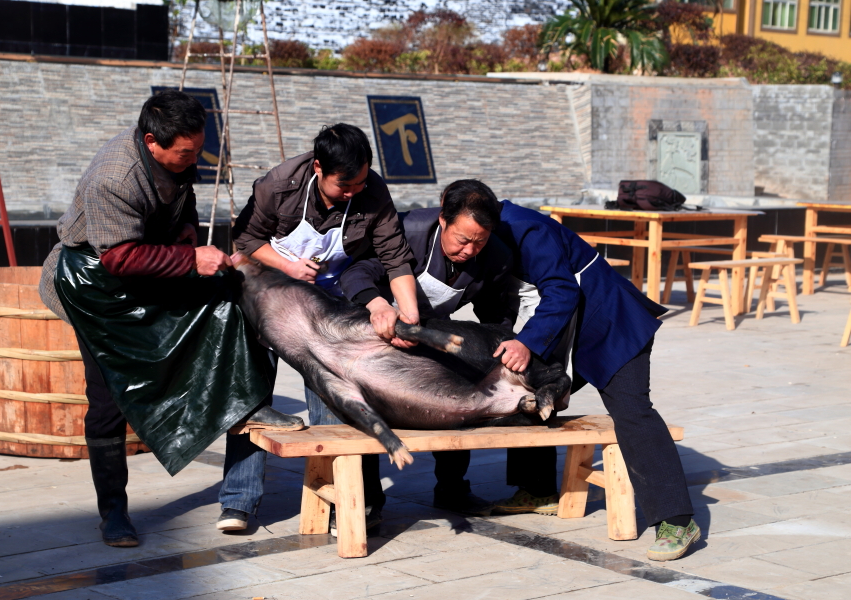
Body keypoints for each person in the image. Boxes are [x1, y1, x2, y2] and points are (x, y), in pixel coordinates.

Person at [39, 90, 302, 547]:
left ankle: (248, 404)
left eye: (198, 150)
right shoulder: (114, 177)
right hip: (93, 283)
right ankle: (114, 513)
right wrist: (188, 260)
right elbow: (118, 258)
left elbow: (183, 212)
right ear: (151, 142)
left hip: (150, 260)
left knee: (232, 300)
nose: (193, 159)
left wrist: (188, 240)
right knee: (107, 398)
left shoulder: (179, 158)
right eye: (185, 153)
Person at [489, 198, 700, 561]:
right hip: (560, 329)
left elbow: (561, 291)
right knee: (525, 395)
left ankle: (677, 519)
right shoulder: (482, 232)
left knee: (632, 410)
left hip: (610, 323)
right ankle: (537, 489)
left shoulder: (527, 229)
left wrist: (526, 342)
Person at [231, 123, 418, 530]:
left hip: (329, 302)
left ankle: (343, 501)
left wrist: (409, 317)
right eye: (343, 185)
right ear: (318, 168)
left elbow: (395, 258)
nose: (353, 192)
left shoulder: (373, 192)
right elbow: (245, 240)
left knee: (336, 396)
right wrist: (289, 265)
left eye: (361, 182)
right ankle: (238, 502)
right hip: (268, 293)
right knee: (251, 395)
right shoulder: (279, 184)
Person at [340, 179, 514, 517]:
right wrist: (378, 306)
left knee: (457, 398)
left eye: (479, 242)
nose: (469, 251)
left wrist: (502, 340)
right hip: (373, 329)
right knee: (365, 412)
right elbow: (356, 274)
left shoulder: (496, 256)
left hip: (430, 334)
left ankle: (452, 488)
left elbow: (496, 310)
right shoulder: (406, 231)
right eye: (463, 240)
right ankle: (367, 500)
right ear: (443, 219)